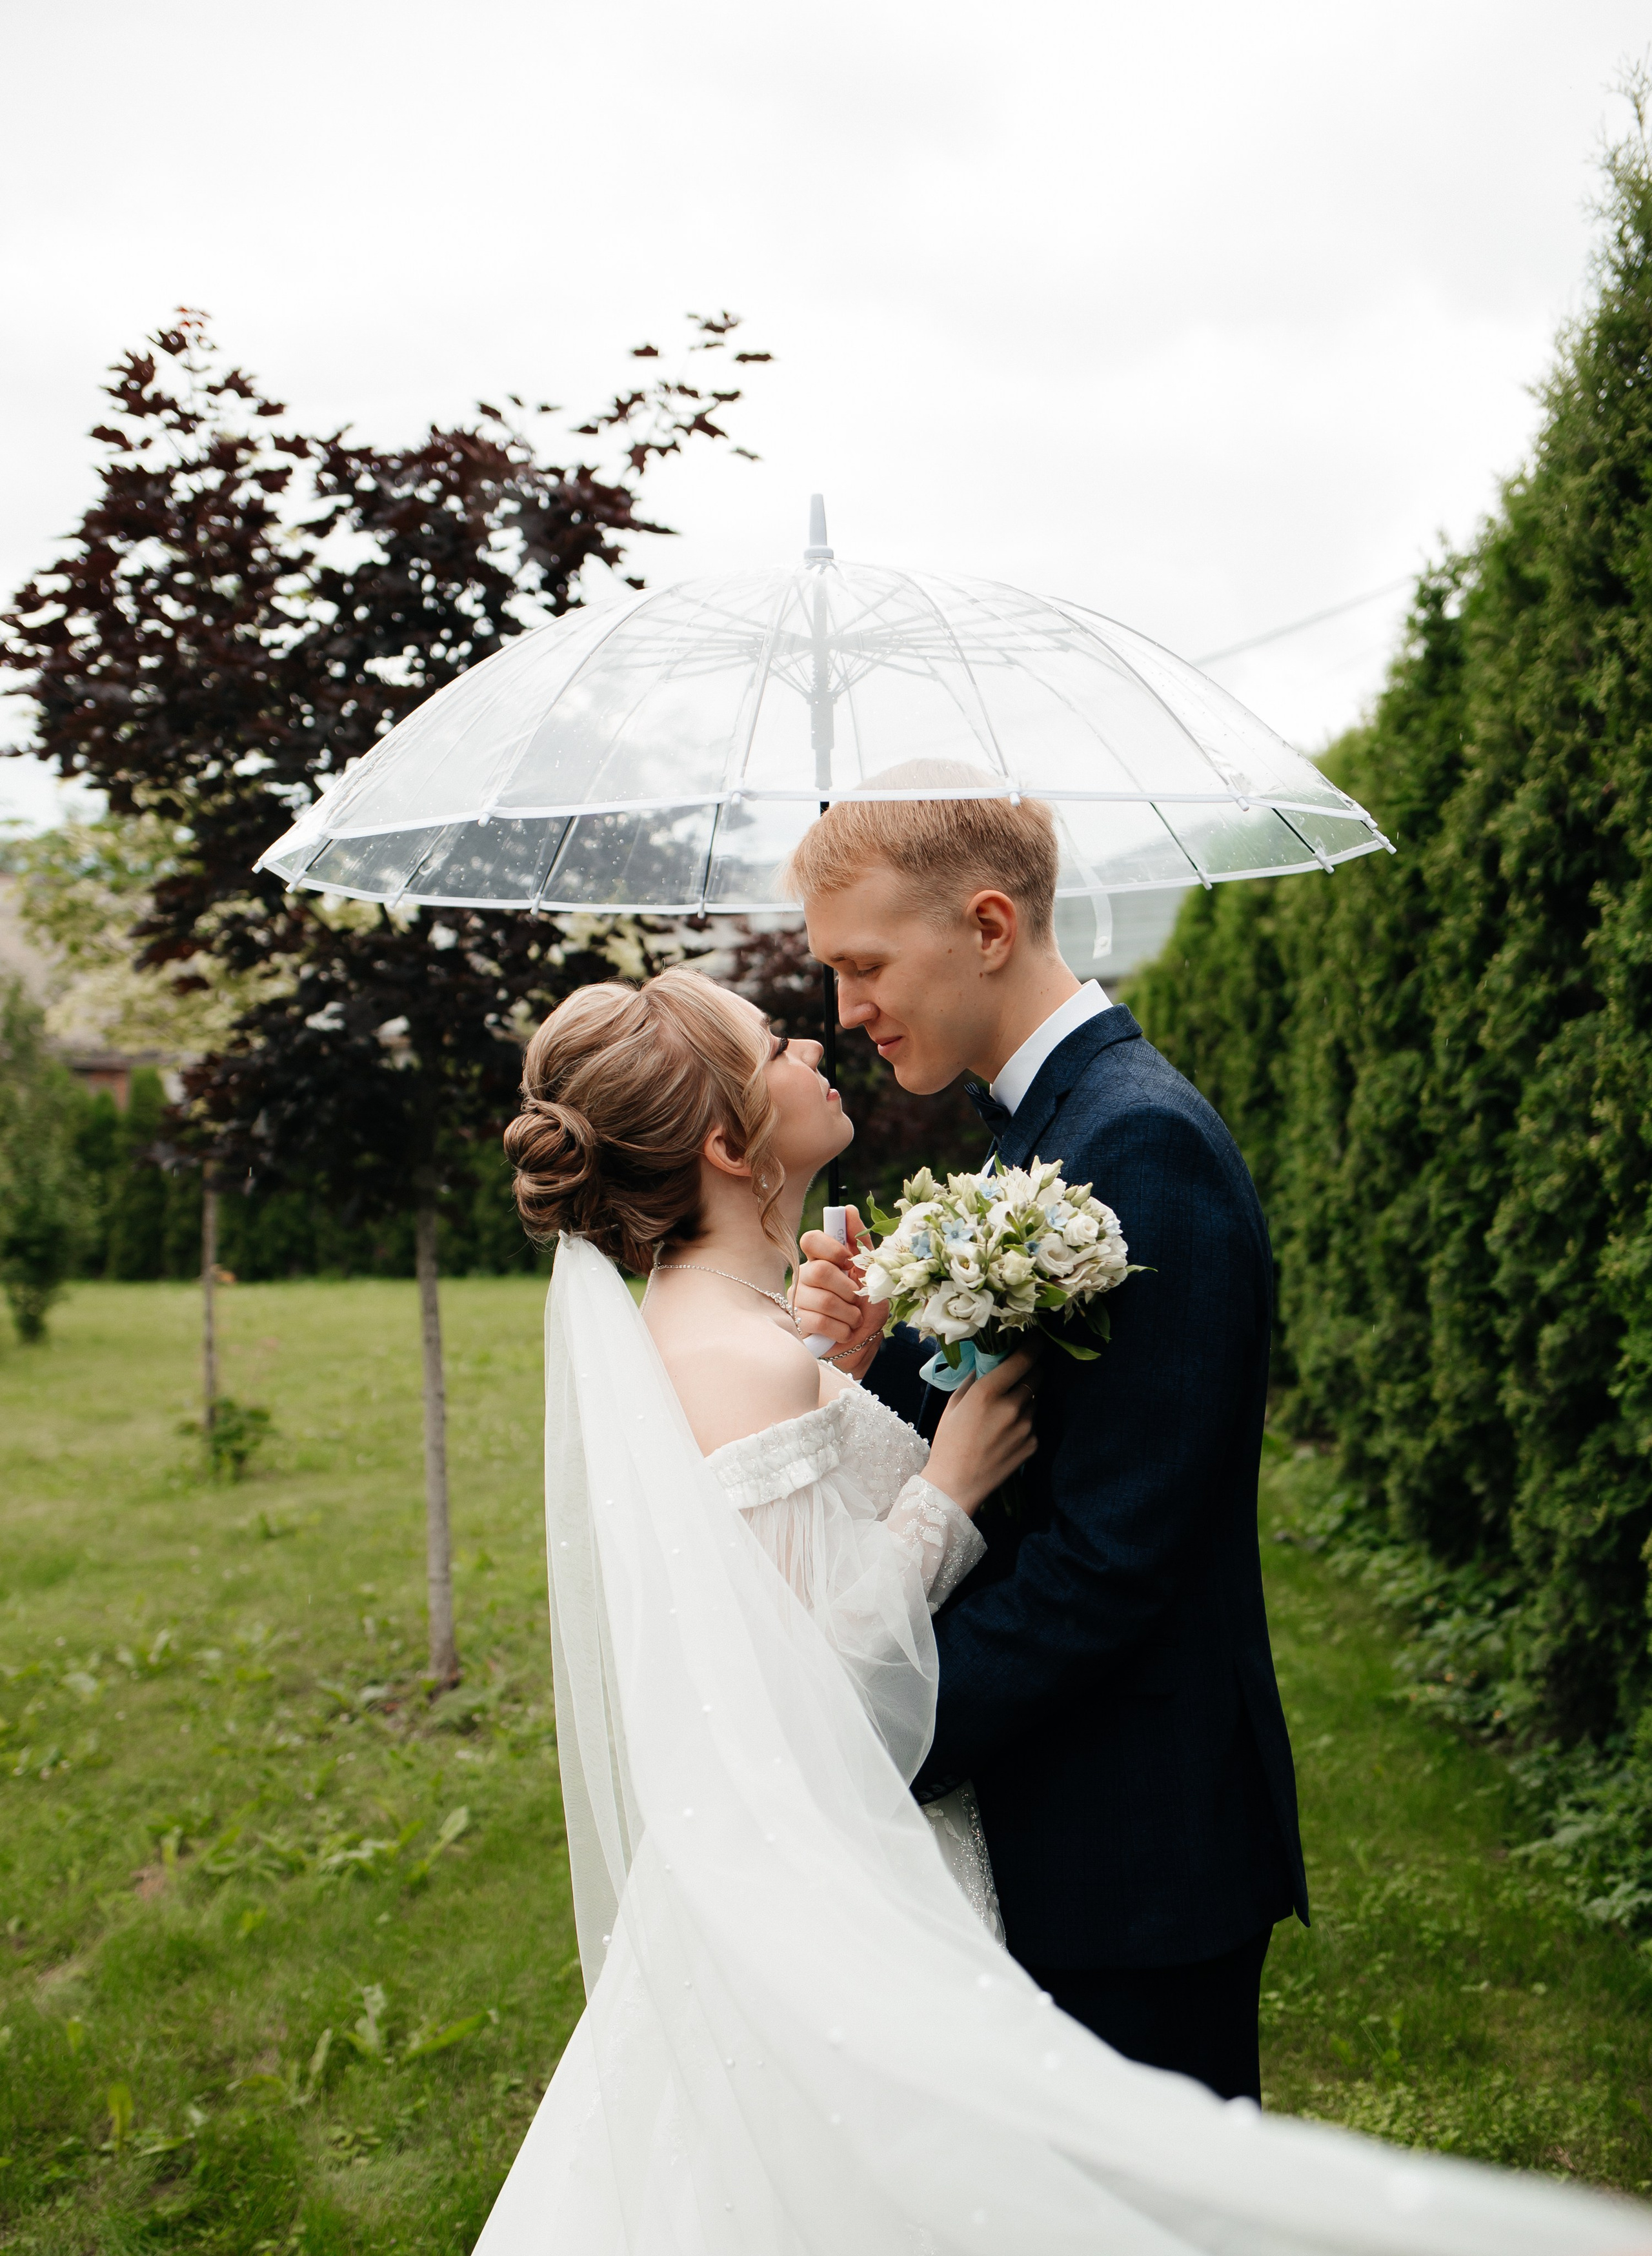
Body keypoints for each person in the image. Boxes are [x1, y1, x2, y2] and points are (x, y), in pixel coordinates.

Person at [473, 956, 1642, 2256]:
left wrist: (853, 1370)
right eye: (773, 1043)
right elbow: (813, 1688)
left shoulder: (740, 1330)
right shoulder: (734, 1353)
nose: (812, 1039)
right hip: (865, 1867)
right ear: (722, 1136)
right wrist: (949, 1490)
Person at [787, 780, 1304, 2106]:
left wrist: (875, 1727)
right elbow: (1016, 1408)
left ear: (989, 923)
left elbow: (1115, 1552)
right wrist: (874, 1354)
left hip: (1135, 1840)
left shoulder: (1140, 1145)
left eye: (862, 963)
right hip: (1064, 1810)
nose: (845, 1008)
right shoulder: (1043, 1128)